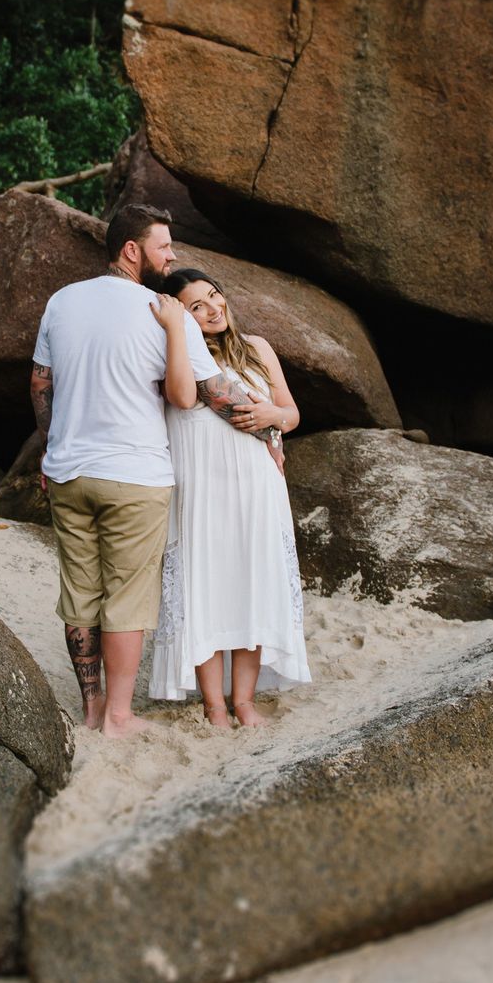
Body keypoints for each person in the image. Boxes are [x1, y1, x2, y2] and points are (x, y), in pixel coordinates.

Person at [30, 205, 219, 738]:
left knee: (80, 593)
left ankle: (91, 709)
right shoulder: (164, 311)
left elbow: (41, 383)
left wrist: (50, 448)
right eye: (164, 246)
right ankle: (118, 715)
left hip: (68, 473)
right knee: (127, 597)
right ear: (132, 250)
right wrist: (273, 419)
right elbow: (211, 391)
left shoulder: (61, 301)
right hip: (136, 475)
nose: (172, 256)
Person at [149, 267, 310, 727]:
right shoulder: (176, 351)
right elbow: (181, 398)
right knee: (204, 587)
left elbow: (292, 413)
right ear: (183, 316)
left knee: (252, 583)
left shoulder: (257, 348)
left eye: (214, 295)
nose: (212, 308)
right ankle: (214, 705)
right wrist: (177, 332)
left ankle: (243, 701)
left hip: (257, 486)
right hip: (201, 487)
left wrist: (273, 415)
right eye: (196, 306)